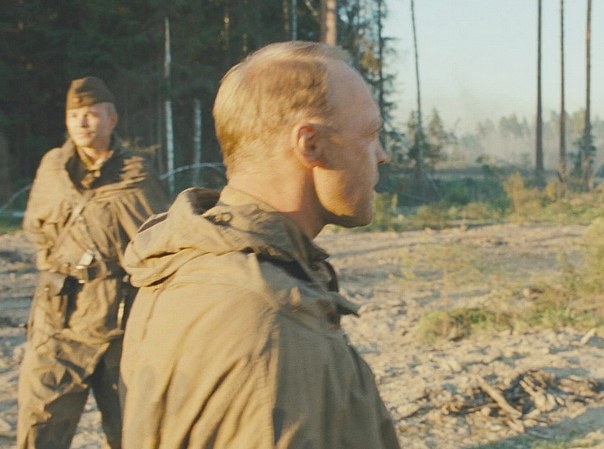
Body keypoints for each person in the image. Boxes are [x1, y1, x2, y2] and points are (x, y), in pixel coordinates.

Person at [119, 42, 400, 449]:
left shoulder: (191, 261)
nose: (382, 155)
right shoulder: (267, 318)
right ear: (310, 144)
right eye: (370, 135)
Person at [17, 77, 168, 449]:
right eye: (74, 116)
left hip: (120, 321)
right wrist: (59, 263)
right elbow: (36, 226)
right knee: (41, 422)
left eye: (91, 114)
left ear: (112, 119)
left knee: (130, 428)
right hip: (59, 319)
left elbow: (159, 241)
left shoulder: (135, 172)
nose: (82, 123)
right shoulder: (53, 167)